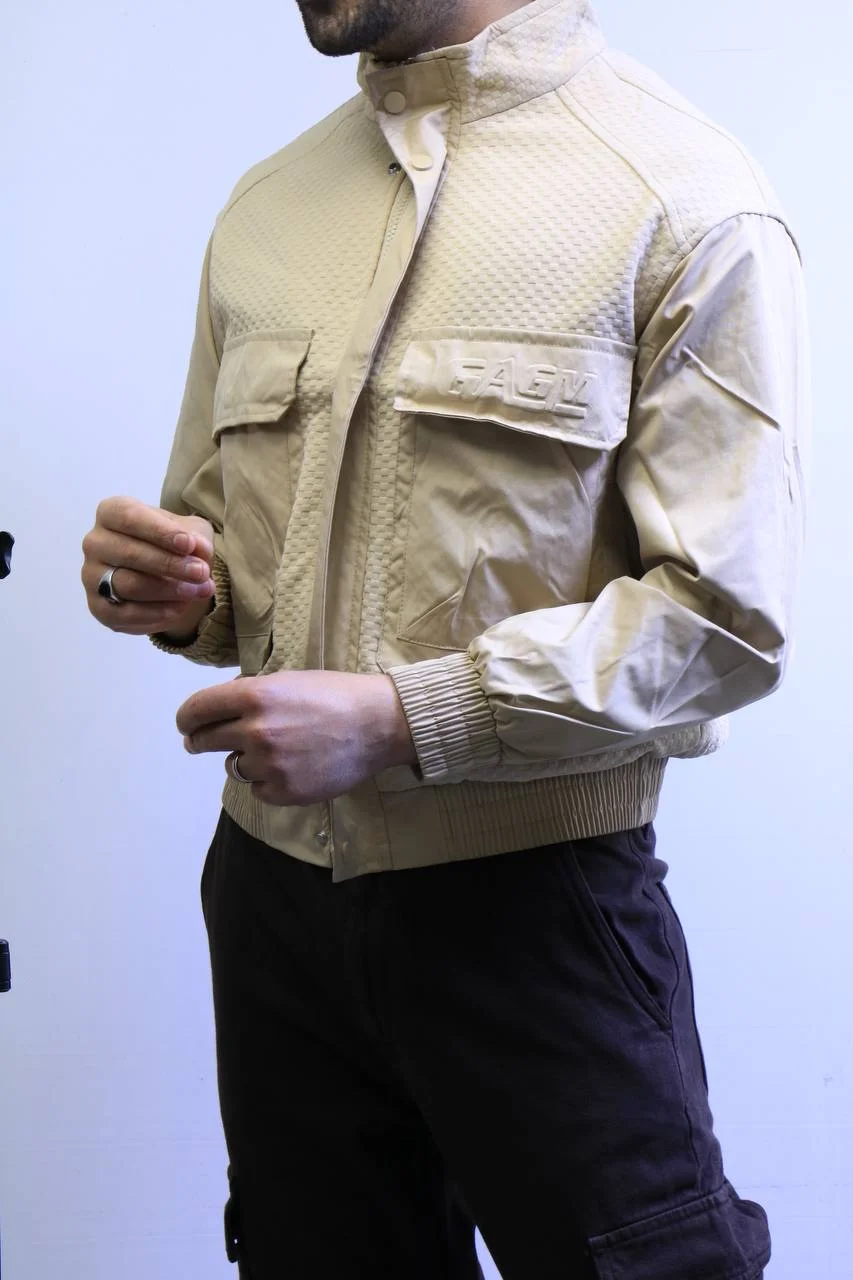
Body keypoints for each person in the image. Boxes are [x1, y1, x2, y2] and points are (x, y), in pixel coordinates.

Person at [81, 0, 811, 1275]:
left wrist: (402, 719)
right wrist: (173, 590)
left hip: (534, 909)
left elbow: (724, 621)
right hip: (268, 907)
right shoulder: (266, 209)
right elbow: (221, 549)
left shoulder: (685, 199)